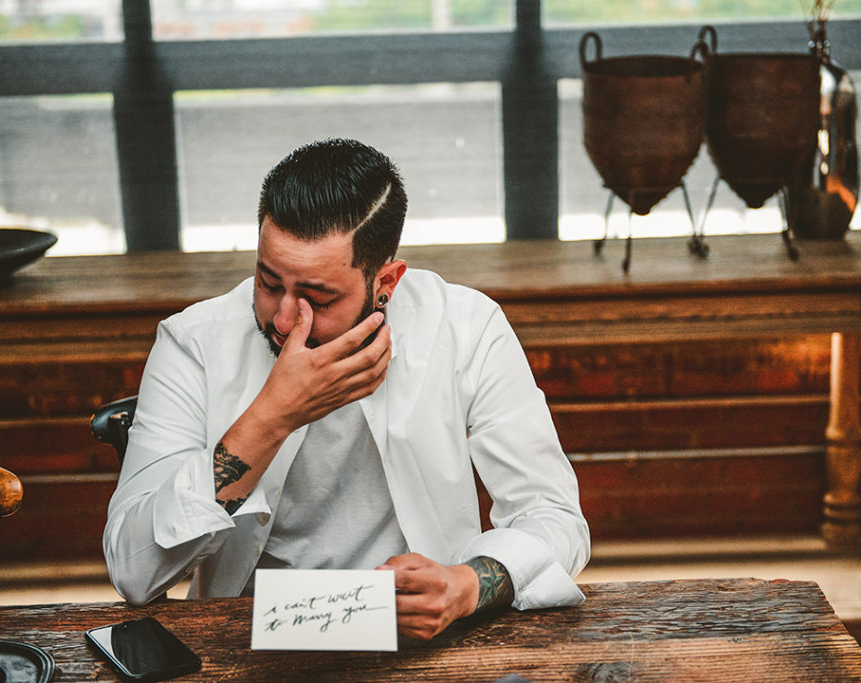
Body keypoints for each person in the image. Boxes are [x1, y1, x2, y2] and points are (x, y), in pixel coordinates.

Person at [104, 138, 590, 640]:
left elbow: (553, 517)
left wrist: (467, 585)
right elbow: (134, 572)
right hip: (244, 640)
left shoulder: (465, 327)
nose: (285, 318)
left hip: (425, 637)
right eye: (269, 283)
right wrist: (272, 417)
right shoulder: (194, 343)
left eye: (318, 297)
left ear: (387, 281)